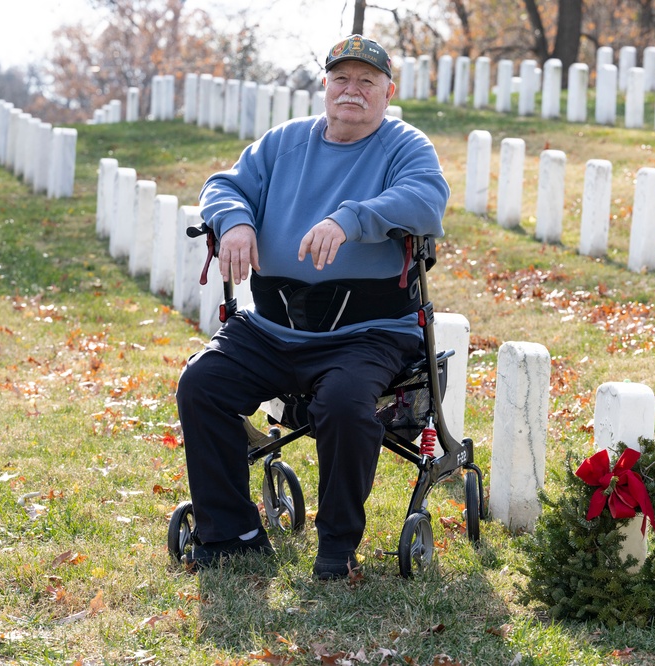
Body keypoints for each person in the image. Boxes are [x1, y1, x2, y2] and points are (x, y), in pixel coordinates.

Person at [175, 35, 450, 579]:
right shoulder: (284, 143)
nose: (352, 91)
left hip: (368, 330)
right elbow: (224, 185)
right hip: (274, 326)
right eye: (341, 79)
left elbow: (426, 198)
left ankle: (337, 545)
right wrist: (235, 221)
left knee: (346, 404)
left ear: (387, 93)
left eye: (366, 82)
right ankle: (234, 534)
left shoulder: (405, 145)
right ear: (325, 86)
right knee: (201, 384)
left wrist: (350, 220)